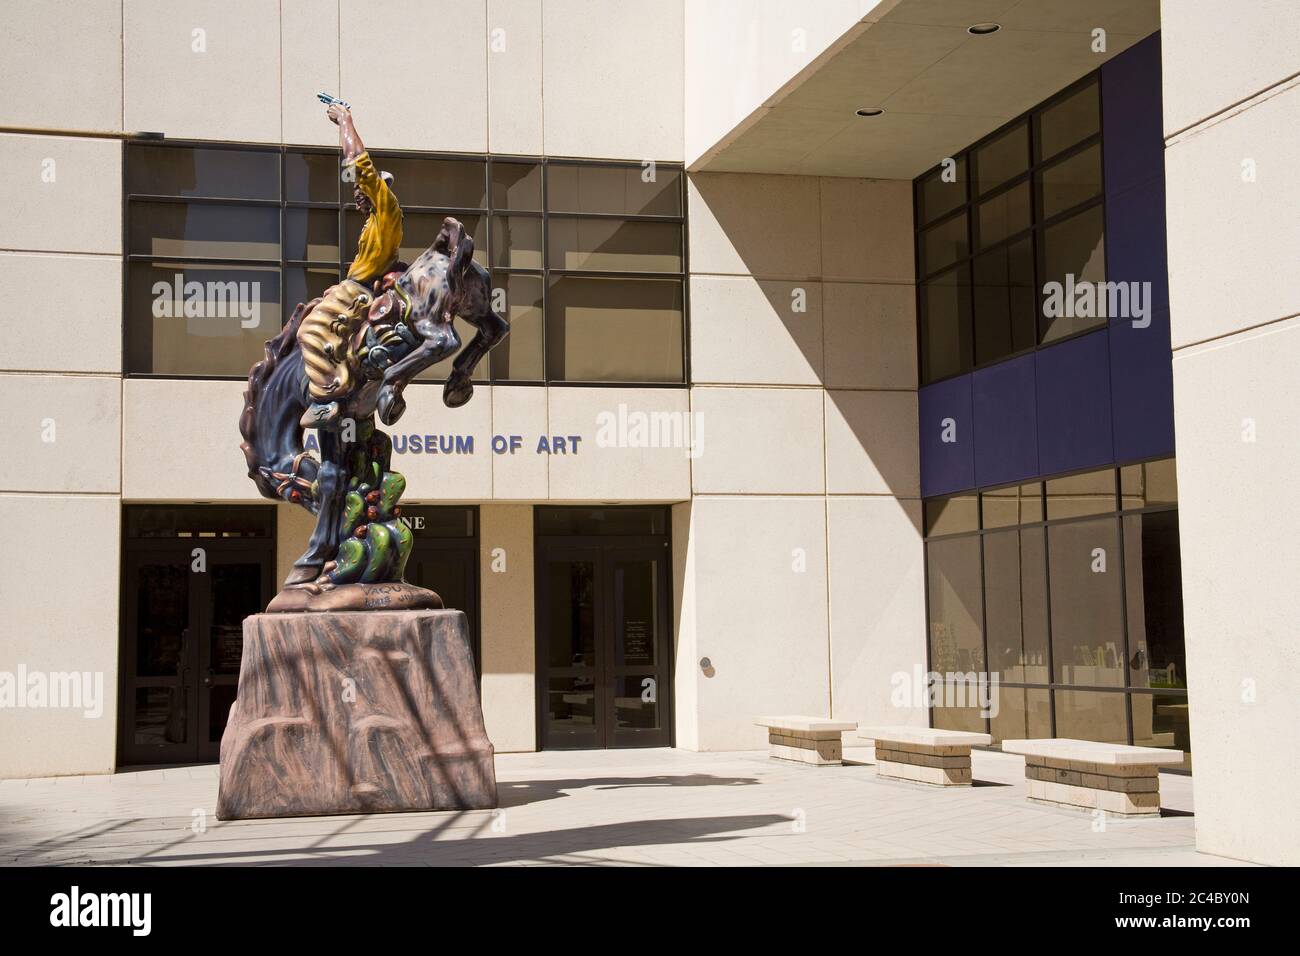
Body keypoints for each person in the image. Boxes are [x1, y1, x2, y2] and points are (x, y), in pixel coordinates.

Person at [296, 102, 403, 428]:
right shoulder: (373, 223)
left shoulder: (386, 211)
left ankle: (326, 395)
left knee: (310, 333)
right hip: (355, 287)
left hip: (359, 291)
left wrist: (344, 120)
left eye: (360, 189)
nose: (357, 194)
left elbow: (360, 163)